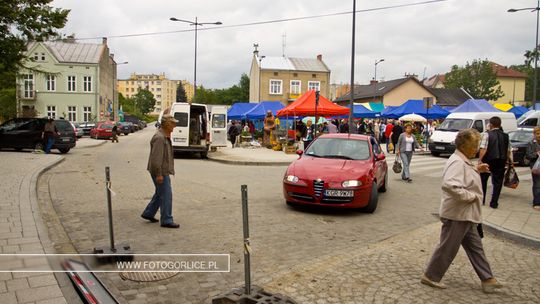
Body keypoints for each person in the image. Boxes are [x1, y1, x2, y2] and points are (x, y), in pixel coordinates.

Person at [422, 128, 503, 293]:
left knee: (475, 247)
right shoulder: (457, 161)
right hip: (457, 214)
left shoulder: (463, 159)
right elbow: (450, 185)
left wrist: (476, 170)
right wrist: (470, 197)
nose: (476, 148)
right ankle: (431, 276)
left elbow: (463, 176)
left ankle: (487, 279)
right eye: (475, 145)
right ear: (465, 145)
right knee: (447, 247)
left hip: (465, 214)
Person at [141, 114, 180, 228]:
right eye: (173, 123)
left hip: (162, 170)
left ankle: (148, 213)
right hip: (160, 171)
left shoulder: (164, 136)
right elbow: (156, 158)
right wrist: (159, 174)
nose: (175, 125)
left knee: (160, 193)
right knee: (166, 194)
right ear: (167, 124)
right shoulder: (160, 138)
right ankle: (167, 219)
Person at [478, 116, 511, 209]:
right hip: (501, 160)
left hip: (488, 160)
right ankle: (494, 202)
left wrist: (480, 159)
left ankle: (482, 200)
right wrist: (507, 160)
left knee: (483, 180)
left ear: (491, 125)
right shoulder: (506, 135)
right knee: (497, 182)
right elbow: (508, 150)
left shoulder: (487, 134)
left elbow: (483, 148)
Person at [525, 126, 540, 211]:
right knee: (537, 184)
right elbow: (528, 155)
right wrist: (536, 154)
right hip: (536, 167)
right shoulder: (531, 143)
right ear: (534, 134)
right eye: (537, 133)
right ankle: (537, 202)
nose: (539, 135)